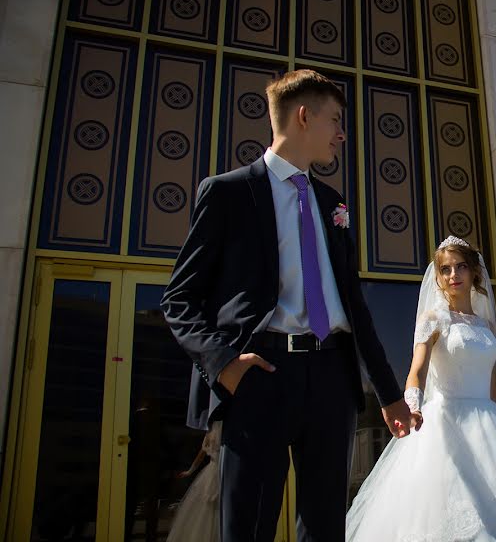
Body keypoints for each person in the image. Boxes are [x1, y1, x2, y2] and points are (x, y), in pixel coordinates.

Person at [161, 69, 415, 542]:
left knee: (324, 528)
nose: (342, 133)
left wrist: (389, 393)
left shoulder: (331, 202)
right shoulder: (229, 192)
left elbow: (354, 307)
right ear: (303, 117)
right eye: (335, 121)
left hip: (331, 379)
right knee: (250, 525)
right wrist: (223, 364)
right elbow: (179, 298)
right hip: (260, 375)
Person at [345, 236, 496, 541]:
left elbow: (492, 390)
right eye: (445, 269)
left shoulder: (484, 326)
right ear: (438, 277)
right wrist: (413, 406)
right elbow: (416, 371)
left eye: (460, 267)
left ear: (474, 272)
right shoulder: (433, 319)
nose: (453, 275)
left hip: (491, 428)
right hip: (445, 423)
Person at [166, 422, 222, 541]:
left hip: (221, 471)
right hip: (213, 471)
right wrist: (190, 471)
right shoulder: (212, 429)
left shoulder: (219, 428)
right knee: (207, 506)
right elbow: (202, 452)